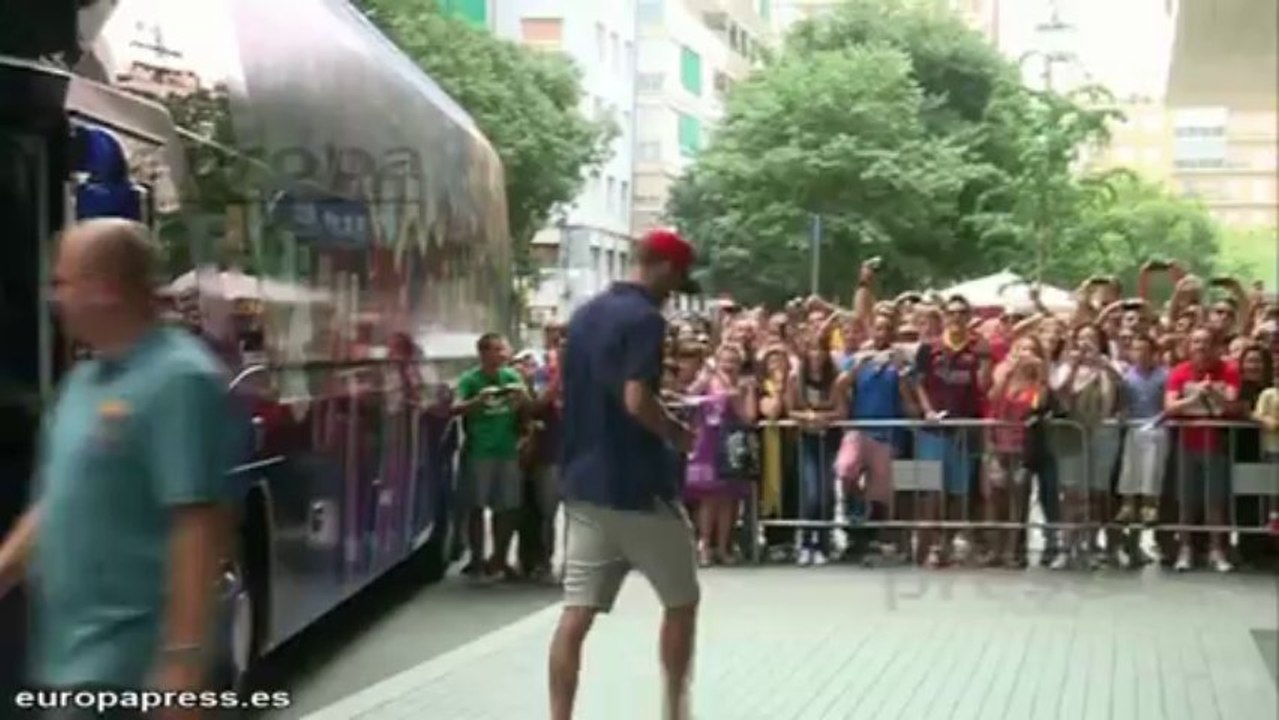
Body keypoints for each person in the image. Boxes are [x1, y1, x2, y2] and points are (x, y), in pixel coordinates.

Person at [0, 219, 236, 719]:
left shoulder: (180, 380)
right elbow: (59, 502)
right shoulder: (82, 383)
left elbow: (196, 526)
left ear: (105, 288)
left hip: (136, 669)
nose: (53, 297)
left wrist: (183, 668)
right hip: (71, 659)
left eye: (63, 282)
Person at [549, 228, 700, 720]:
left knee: (576, 614)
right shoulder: (645, 320)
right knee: (681, 600)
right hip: (638, 487)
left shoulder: (585, 315)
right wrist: (675, 431)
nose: (673, 290)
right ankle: (674, 710)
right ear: (662, 266)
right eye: (676, 279)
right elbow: (637, 398)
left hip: (583, 483)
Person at [453, 333, 526, 580]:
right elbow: (454, 407)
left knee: (506, 508)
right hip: (479, 451)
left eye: (502, 350)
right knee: (476, 506)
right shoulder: (470, 379)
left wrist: (521, 399)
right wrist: (477, 400)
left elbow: (527, 410)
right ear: (483, 353)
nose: (502, 355)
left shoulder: (512, 377)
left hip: (507, 450)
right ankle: (476, 558)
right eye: (496, 350)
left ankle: (500, 558)